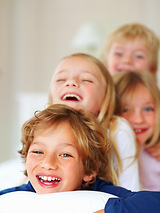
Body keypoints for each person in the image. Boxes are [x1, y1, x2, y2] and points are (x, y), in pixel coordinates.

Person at [0, 104, 160, 213]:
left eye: (65, 154)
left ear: (89, 170)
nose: (48, 163)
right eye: (37, 152)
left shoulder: (101, 192)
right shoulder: (20, 194)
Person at [48, 52, 140, 191]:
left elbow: (131, 190)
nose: (71, 82)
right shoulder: (43, 130)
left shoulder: (118, 130)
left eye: (86, 80)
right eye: (61, 79)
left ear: (104, 99)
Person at [100, 22, 160, 171]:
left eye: (138, 56)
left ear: (152, 69)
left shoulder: (154, 98)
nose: (127, 60)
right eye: (119, 54)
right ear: (105, 63)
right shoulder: (99, 96)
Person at [114, 71, 160, 190]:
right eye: (125, 110)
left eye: (148, 109)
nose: (138, 119)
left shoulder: (156, 153)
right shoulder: (109, 154)